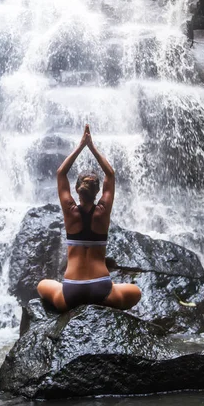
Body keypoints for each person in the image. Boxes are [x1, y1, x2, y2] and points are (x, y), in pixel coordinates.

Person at [37, 124, 142, 311]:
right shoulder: (103, 211)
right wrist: (92, 147)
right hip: (101, 288)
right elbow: (110, 173)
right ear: (97, 191)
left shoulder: (70, 212)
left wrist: (80, 146)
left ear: (77, 189)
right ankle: (108, 298)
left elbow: (61, 173)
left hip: (71, 291)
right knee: (136, 292)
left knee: (42, 285)